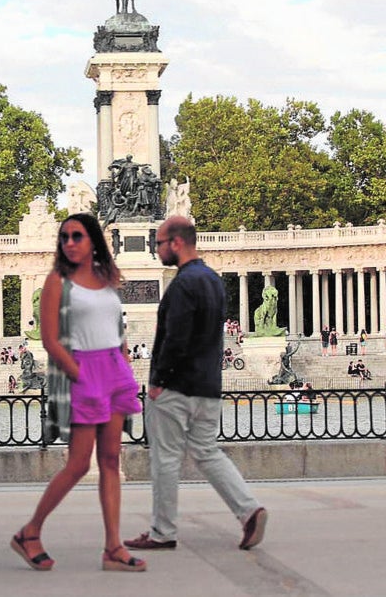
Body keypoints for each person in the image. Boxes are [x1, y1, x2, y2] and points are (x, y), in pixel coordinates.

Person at [12, 213, 145, 573]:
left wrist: (124, 362)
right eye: (65, 237)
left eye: (77, 236)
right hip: (84, 369)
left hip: (114, 370)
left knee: (111, 461)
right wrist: (78, 374)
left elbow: (117, 328)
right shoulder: (58, 281)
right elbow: (50, 340)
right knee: (78, 463)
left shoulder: (107, 278)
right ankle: (30, 531)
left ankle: (113, 546)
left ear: (93, 241)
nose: (69, 242)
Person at [125, 216, 267, 553]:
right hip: (208, 385)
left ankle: (162, 531)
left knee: (165, 458)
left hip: (176, 388)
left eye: (158, 243)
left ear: (175, 243)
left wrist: (158, 380)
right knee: (207, 452)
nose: (155, 250)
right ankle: (249, 510)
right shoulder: (214, 281)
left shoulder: (182, 285)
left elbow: (175, 338)